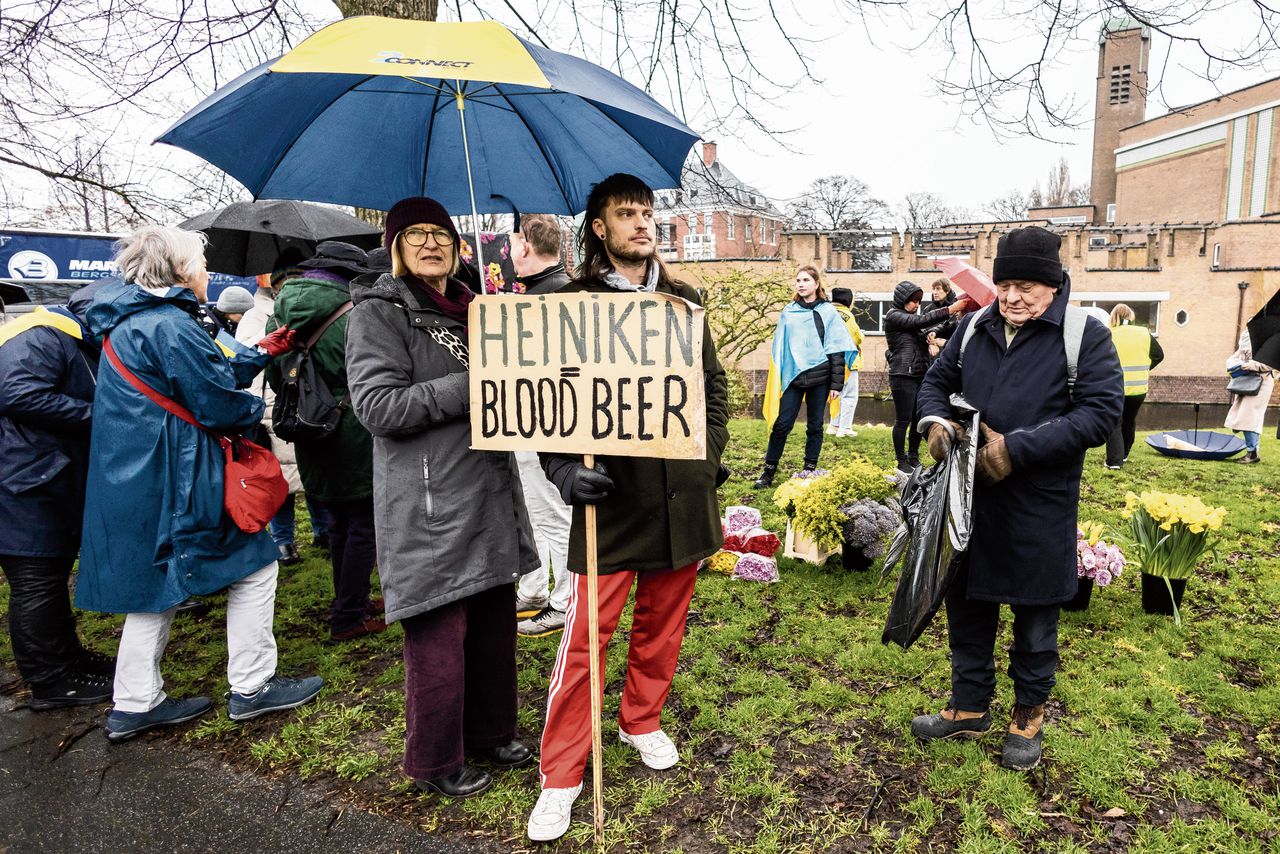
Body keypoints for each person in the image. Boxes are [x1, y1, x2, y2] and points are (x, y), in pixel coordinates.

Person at [526, 173, 730, 842]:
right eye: (625, 214)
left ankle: (640, 720)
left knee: (662, 631)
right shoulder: (571, 303)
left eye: (647, 212)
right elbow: (545, 399)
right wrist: (561, 470)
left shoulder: (685, 301)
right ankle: (561, 775)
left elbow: (714, 391)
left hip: (682, 504)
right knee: (586, 642)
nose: (642, 223)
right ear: (600, 229)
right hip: (607, 508)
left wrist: (710, 459)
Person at [74, 225, 323, 743]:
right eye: (200, 265)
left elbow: (209, 372)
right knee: (255, 566)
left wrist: (262, 350)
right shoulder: (170, 325)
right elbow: (215, 400)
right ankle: (253, 686)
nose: (206, 274)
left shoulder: (131, 322)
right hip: (180, 473)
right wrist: (264, 410)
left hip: (136, 478)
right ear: (181, 271)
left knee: (153, 588)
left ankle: (135, 702)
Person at [345, 197, 539, 798]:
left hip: (488, 488)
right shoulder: (380, 313)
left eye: (442, 235)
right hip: (428, 501)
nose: (432, 244)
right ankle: (436, 757)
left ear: (459, 247)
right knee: (438, 632)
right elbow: (378, 408)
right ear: (395, 248)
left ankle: (491, 731)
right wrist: (471, 380)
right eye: (416, 235)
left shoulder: (472, 309)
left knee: (493, 622)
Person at [913, 226, 1122, 771]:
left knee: (1034, 621)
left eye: (1026, 285)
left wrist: (1017, 450)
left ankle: (1028, 714)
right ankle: (968, 707)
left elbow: (1100, 414)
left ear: (1053, 286)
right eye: (1005, 284)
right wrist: (935, 423)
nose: (1012, 297)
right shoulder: (976, 325)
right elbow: (936, 381)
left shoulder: (1084, 335)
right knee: (967, 605)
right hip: (971, 499)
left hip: (1039, 503)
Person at [0, 288, 114, 709]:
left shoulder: (70, 339)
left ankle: (68, 660)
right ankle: (51, 680)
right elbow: (19, 394)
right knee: (35, 581)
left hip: (41, 477)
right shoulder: (42, 335)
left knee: (49, 576)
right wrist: (100, 417)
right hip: (23, 482)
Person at [268, 241, 383, 641]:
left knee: (337, 522)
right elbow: (372, 377)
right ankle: (349, 615)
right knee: (364, 525)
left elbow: (275, 375)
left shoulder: (279, 310)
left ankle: (348, 600)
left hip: (308, 430)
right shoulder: (354, 315)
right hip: (353, 433)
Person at [507, 214, 574, 636]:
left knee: (553, 515)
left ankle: (565, 600)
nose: (508, 251)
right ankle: (533, 588)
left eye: (513, 242)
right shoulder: (540, 291)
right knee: (532, 510)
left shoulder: (552, 295)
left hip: (545, 424)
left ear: (526, 246)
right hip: (529, 422)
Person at [751, 265, 857, 489]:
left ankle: (809, 470)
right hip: (794, 377)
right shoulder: (788, 313)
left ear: (816, 284)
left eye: (806, 280)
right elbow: (780, 347)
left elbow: (836, 348)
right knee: (782, 425)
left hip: (821, 378)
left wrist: (836, 384)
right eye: (798, 280)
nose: (801, 284)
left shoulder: (828, 312)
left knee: (815, 426)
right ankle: (768, 471)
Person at [884, 280, 969, 472]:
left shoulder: (911, 318)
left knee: (918, 419)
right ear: (902, 299)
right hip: (902, 375)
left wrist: (929, 339)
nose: (916, 305)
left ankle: (913, 456)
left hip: (920, 373)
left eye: (918, 301)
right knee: (903, 419)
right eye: (913, 301)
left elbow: (923, 328)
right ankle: (901, 460)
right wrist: (950, 309)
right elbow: (920, 322)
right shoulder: (894, 316)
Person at [1104, 304, 1164, 469]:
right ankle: (1123, 455)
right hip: (1138, 388)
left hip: (1115, 387)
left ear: (1114, 316)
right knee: (1129, 421)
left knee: (1115, 421)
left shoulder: (1109, 333)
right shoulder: (1144, 333)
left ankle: (1114, 461)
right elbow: (1159, 355)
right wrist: (1145, 369)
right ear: (1131, 316)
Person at [1225, 330, 1273, 464]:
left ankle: (1252, 452)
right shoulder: (1247, 342)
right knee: (1245, 416)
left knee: (1250, 416)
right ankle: (1253, 450)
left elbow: (1270, 365)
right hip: (1246, 381)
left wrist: (1251, 365)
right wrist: (1233, 363)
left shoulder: (1269, 345)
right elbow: (1236, 356)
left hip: (1261, 383)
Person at [826, 287, 864, 438]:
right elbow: (856, 337)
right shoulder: (847, 315)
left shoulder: (827, 313)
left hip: (830, 360)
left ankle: (833, 425)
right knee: (849, 395)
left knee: (836, 394)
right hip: (848, 360)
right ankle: (845, 428)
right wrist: (861, 334)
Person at [924, 277, 959, 360]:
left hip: (949, 353)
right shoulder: (928, 309)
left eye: (938, 289)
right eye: (934, 289)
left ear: (947, 291)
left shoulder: (955, 308)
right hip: (931, 354)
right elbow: (922, 329)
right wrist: (930, 342)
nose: (935, 292)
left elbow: (955, 329)